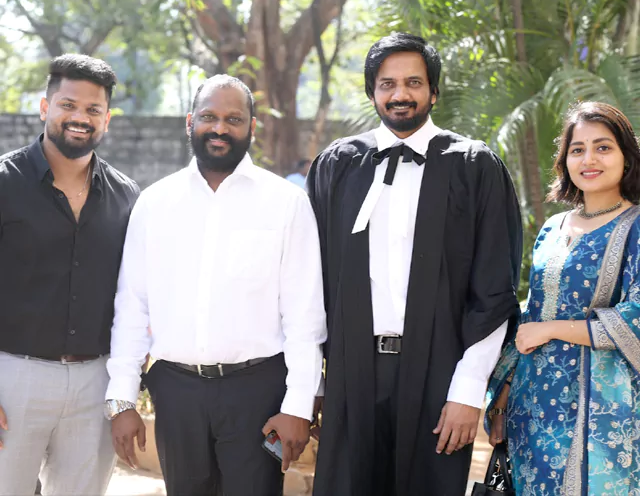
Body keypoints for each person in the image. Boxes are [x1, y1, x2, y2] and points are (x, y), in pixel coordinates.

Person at [307, 32, 523, 496]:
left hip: (439, 375)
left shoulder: (474, 167)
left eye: (413, 82)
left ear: (434, 91)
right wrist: (312, 384)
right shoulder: (338, 165)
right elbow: (309, 284)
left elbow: (494, 288)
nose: (400, 94)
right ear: (372, 92)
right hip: (351, 373)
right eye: (387, 84)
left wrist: (468, 389)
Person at [105, 74, 326, 496]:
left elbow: (305, 315)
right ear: (190, 121)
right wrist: (122, 400)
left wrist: (298, 405)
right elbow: (132, 305)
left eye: (233, 119)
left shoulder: (286, 202)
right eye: (209, 117)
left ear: (251, 127)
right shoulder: (155, 203)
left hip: (258, 393)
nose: (220, 128)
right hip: (176, 393)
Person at [0, 54, 139, 495]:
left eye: (93, 109)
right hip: (11, 377)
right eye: (68, 105)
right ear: (45, 108)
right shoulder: (4, 183)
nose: (80, 117)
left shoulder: (127, 197)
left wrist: (123, 391)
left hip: (94, 383)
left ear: (107, 119)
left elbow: (134, 298)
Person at [486, 101, 640, 494]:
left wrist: (552, 329)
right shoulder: (553, 227)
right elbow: (530, 318)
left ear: (626, 155)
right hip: (533, 404)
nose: (589, 159)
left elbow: (637, 315)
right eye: (577, 149)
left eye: (603, 147)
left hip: (603, 408)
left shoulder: (636, 225)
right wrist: (502, 399)